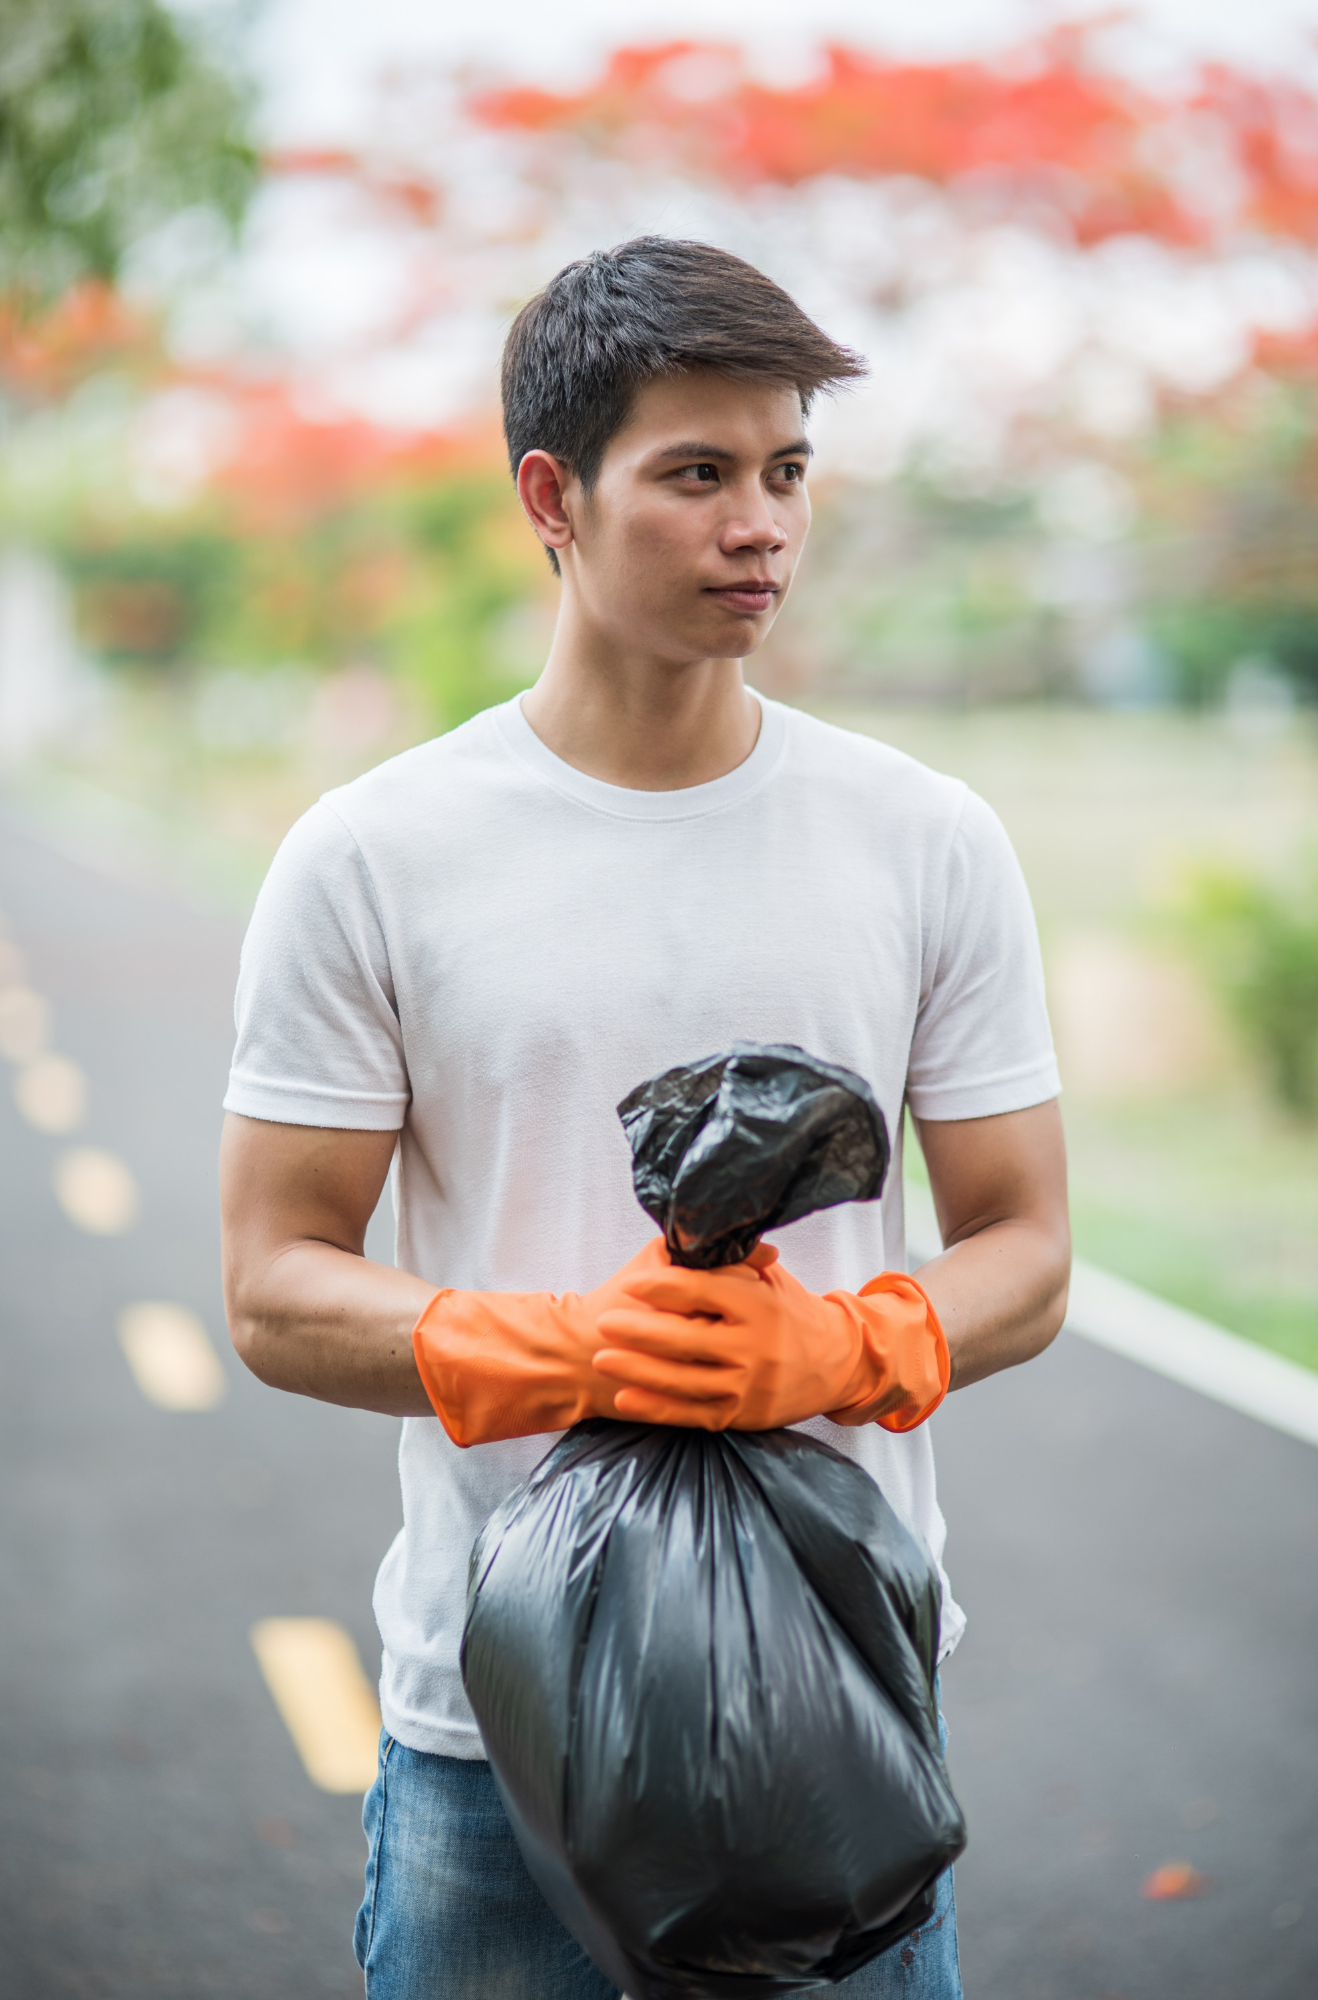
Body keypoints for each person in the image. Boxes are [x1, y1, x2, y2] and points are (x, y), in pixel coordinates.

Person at [220, 235, 1070, 2000]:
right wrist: (580, 1349)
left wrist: (834, 1350)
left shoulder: (925, 839)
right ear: (554, 494)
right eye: (696, 474)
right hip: (492, 1729)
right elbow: (276, 1286)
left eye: (785, 473)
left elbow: (1030, 1249)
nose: (759, 525)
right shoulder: (375, 855)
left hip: (838, 1711)